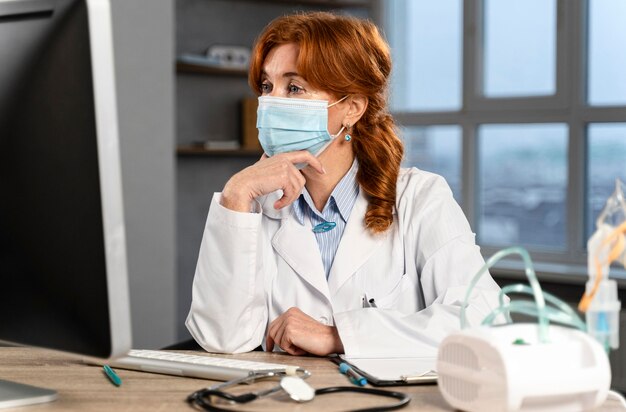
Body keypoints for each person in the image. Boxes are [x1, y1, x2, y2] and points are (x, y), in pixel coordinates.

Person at [186, 12, 502, 358]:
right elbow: (221, 339)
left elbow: (485, 321)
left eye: (294, 87)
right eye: (266, 86)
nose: (271, 102)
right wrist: (235, 196)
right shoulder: (253, 205)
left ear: (351, 108)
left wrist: (338, 337)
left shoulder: (420, 198)